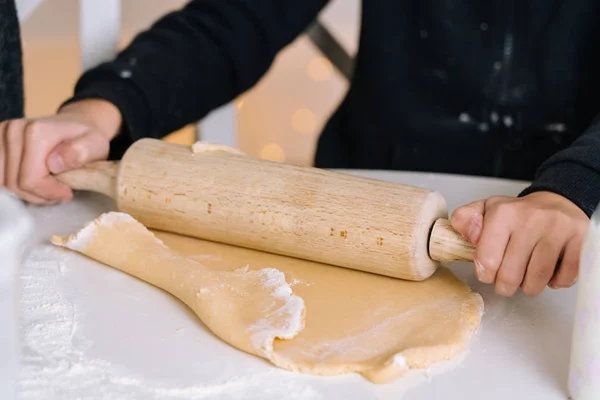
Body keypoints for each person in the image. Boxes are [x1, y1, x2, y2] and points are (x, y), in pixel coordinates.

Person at [0, 1, 595, 297]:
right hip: (361, 196)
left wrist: (571, 186)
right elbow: (238, 19)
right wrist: (103, 109)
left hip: (574, 231)